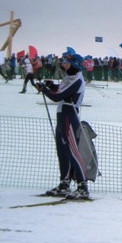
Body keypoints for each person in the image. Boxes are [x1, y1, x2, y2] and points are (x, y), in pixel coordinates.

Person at [37, 52, 91, 200]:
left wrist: (46, 90)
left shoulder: (77, 80)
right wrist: (49, 85)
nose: (64, 64)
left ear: (74, 64)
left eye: (67, 62)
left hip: (69, 115)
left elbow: (57, 96)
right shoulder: (68, 78)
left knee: (73, 152)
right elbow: (59, 90)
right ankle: (64, 183)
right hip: (62, 115)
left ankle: (82, 186)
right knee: (62, 152)